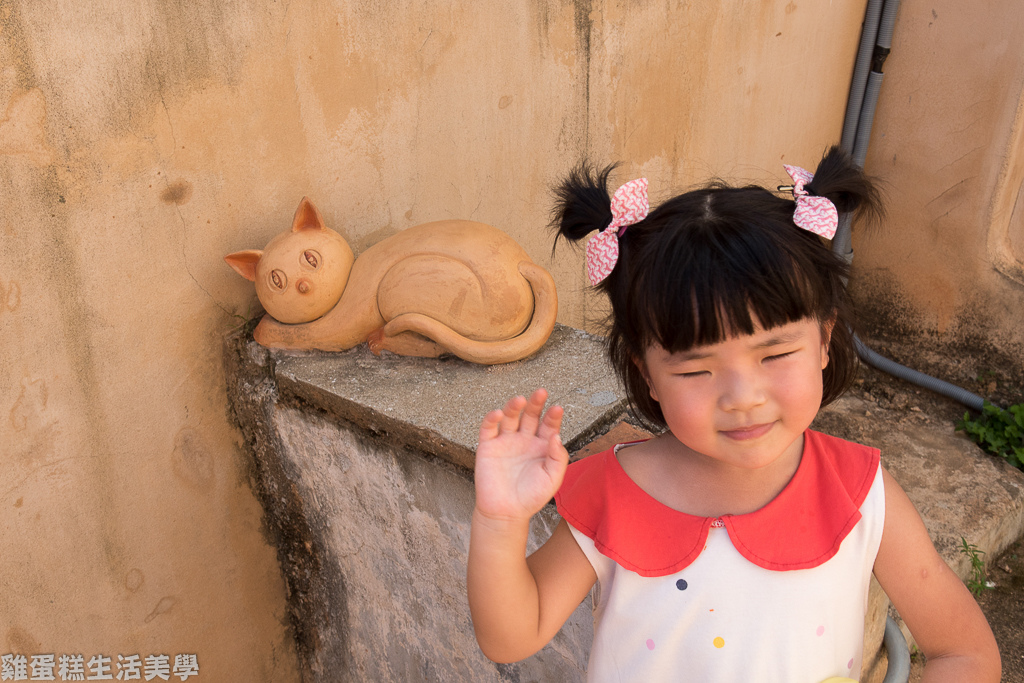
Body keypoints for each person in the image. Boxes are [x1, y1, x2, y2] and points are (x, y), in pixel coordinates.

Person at [466, 147, 1000, 682]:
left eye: (774, 354)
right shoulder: (612, 491)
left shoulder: (860, 492)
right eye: (697, 371)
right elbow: (513, 636)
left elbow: (965, 654)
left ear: (824, 341)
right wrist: (500, 521)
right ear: (646, 373)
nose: (742, 396)